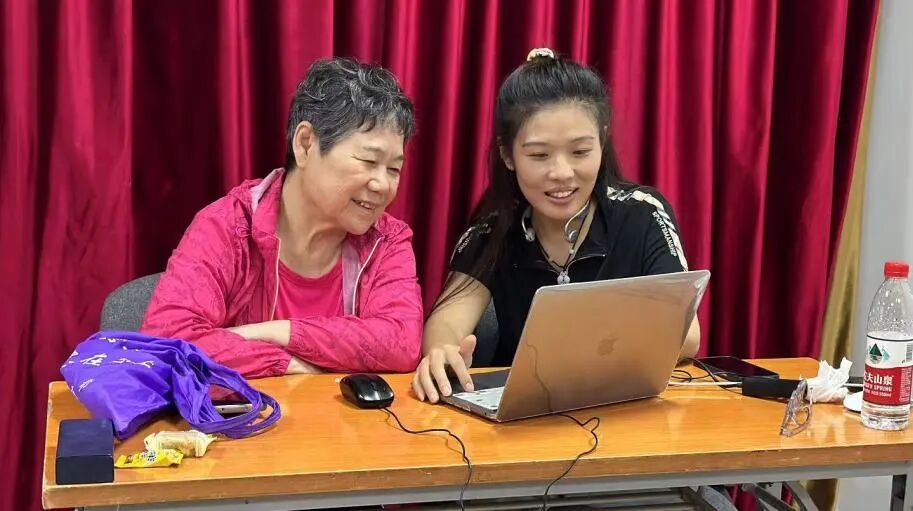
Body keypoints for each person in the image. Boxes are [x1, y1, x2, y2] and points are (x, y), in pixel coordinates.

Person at [413, 48, 699, 402]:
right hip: (527, 415)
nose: (562, 173)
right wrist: (443, 351)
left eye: (580, 152)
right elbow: (446, 323)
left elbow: (687, 335)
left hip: (626, 406)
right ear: (507, 155)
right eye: (539, 155)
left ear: (602, 142)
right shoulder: (492, 231)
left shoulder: (643, 214)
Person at [142, 57, 423, 379]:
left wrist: (280, 332)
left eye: (394, 169)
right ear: (305, 144)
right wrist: (286, 365)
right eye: (368, 161)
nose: (383, 185)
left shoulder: (388, 240)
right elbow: (167, 343)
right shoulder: (227, 226)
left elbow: (401, 342)